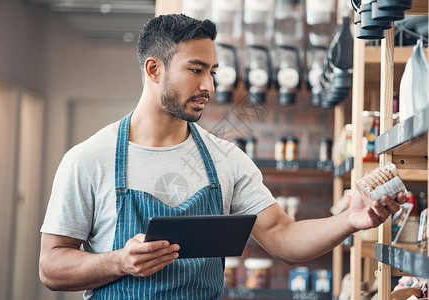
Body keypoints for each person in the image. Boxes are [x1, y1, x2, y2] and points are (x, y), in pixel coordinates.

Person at [39, 14, 405, 300]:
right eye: (196, 70)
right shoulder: (88, 159)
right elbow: (51, 266)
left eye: (212, 72)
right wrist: (117, 261)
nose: (209, 86)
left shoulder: (226, 160)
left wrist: (351, 220)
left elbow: (284, 237)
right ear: (154, 69)